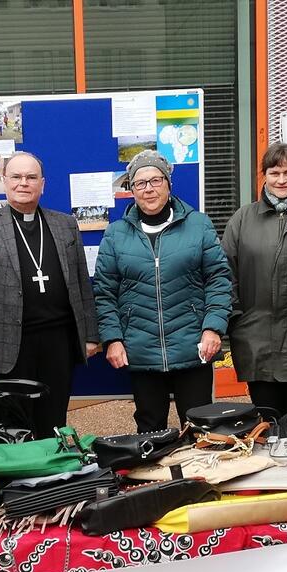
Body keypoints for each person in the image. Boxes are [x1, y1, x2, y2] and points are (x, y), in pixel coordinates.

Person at [0, 151, 100, 437]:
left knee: (54, 419)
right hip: (9, 343)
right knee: (13, 422)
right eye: (16, 177)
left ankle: (53, 477)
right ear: (4, 181)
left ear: (43, 184)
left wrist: (90, 334)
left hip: (58, 341)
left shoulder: (65, 225)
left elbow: (81, 283)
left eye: (31, 177)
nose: (24, 183)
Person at [93, 150, 232, 431]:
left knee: (199, 429)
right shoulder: (116, 233)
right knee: (150, 430)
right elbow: (104, 291)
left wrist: (213, 328)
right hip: (141, 351)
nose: (149, 189)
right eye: (140, 183)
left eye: (155, 180)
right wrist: (113, 339)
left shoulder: (198, 225)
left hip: (193, 348)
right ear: (132, 190)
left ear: (168, 184)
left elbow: (219, 278)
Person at [222, 142, 287, 416]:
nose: (281, 180)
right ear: (264, 175)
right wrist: (237, 320)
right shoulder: (243, 219)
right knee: (265, 423)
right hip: (256, 338)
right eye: (274, 173)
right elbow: (225, 274)